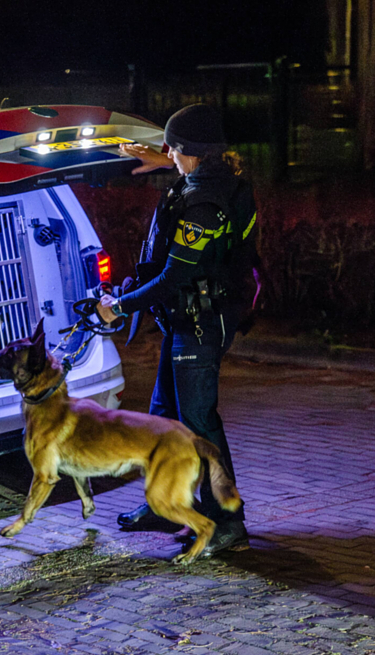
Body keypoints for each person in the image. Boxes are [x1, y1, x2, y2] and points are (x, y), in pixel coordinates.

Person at [96, 103, 257, 558]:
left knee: (200, 428)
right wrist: (161, 158)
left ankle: (228, 525)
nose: (167, 152)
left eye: (173, 147)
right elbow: (191, 169)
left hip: (200, 327)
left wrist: (119, 307)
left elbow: (172, 277)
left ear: (192, 151)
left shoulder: (205, 205)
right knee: (164, 418)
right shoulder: (213, 179)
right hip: (185, 321)